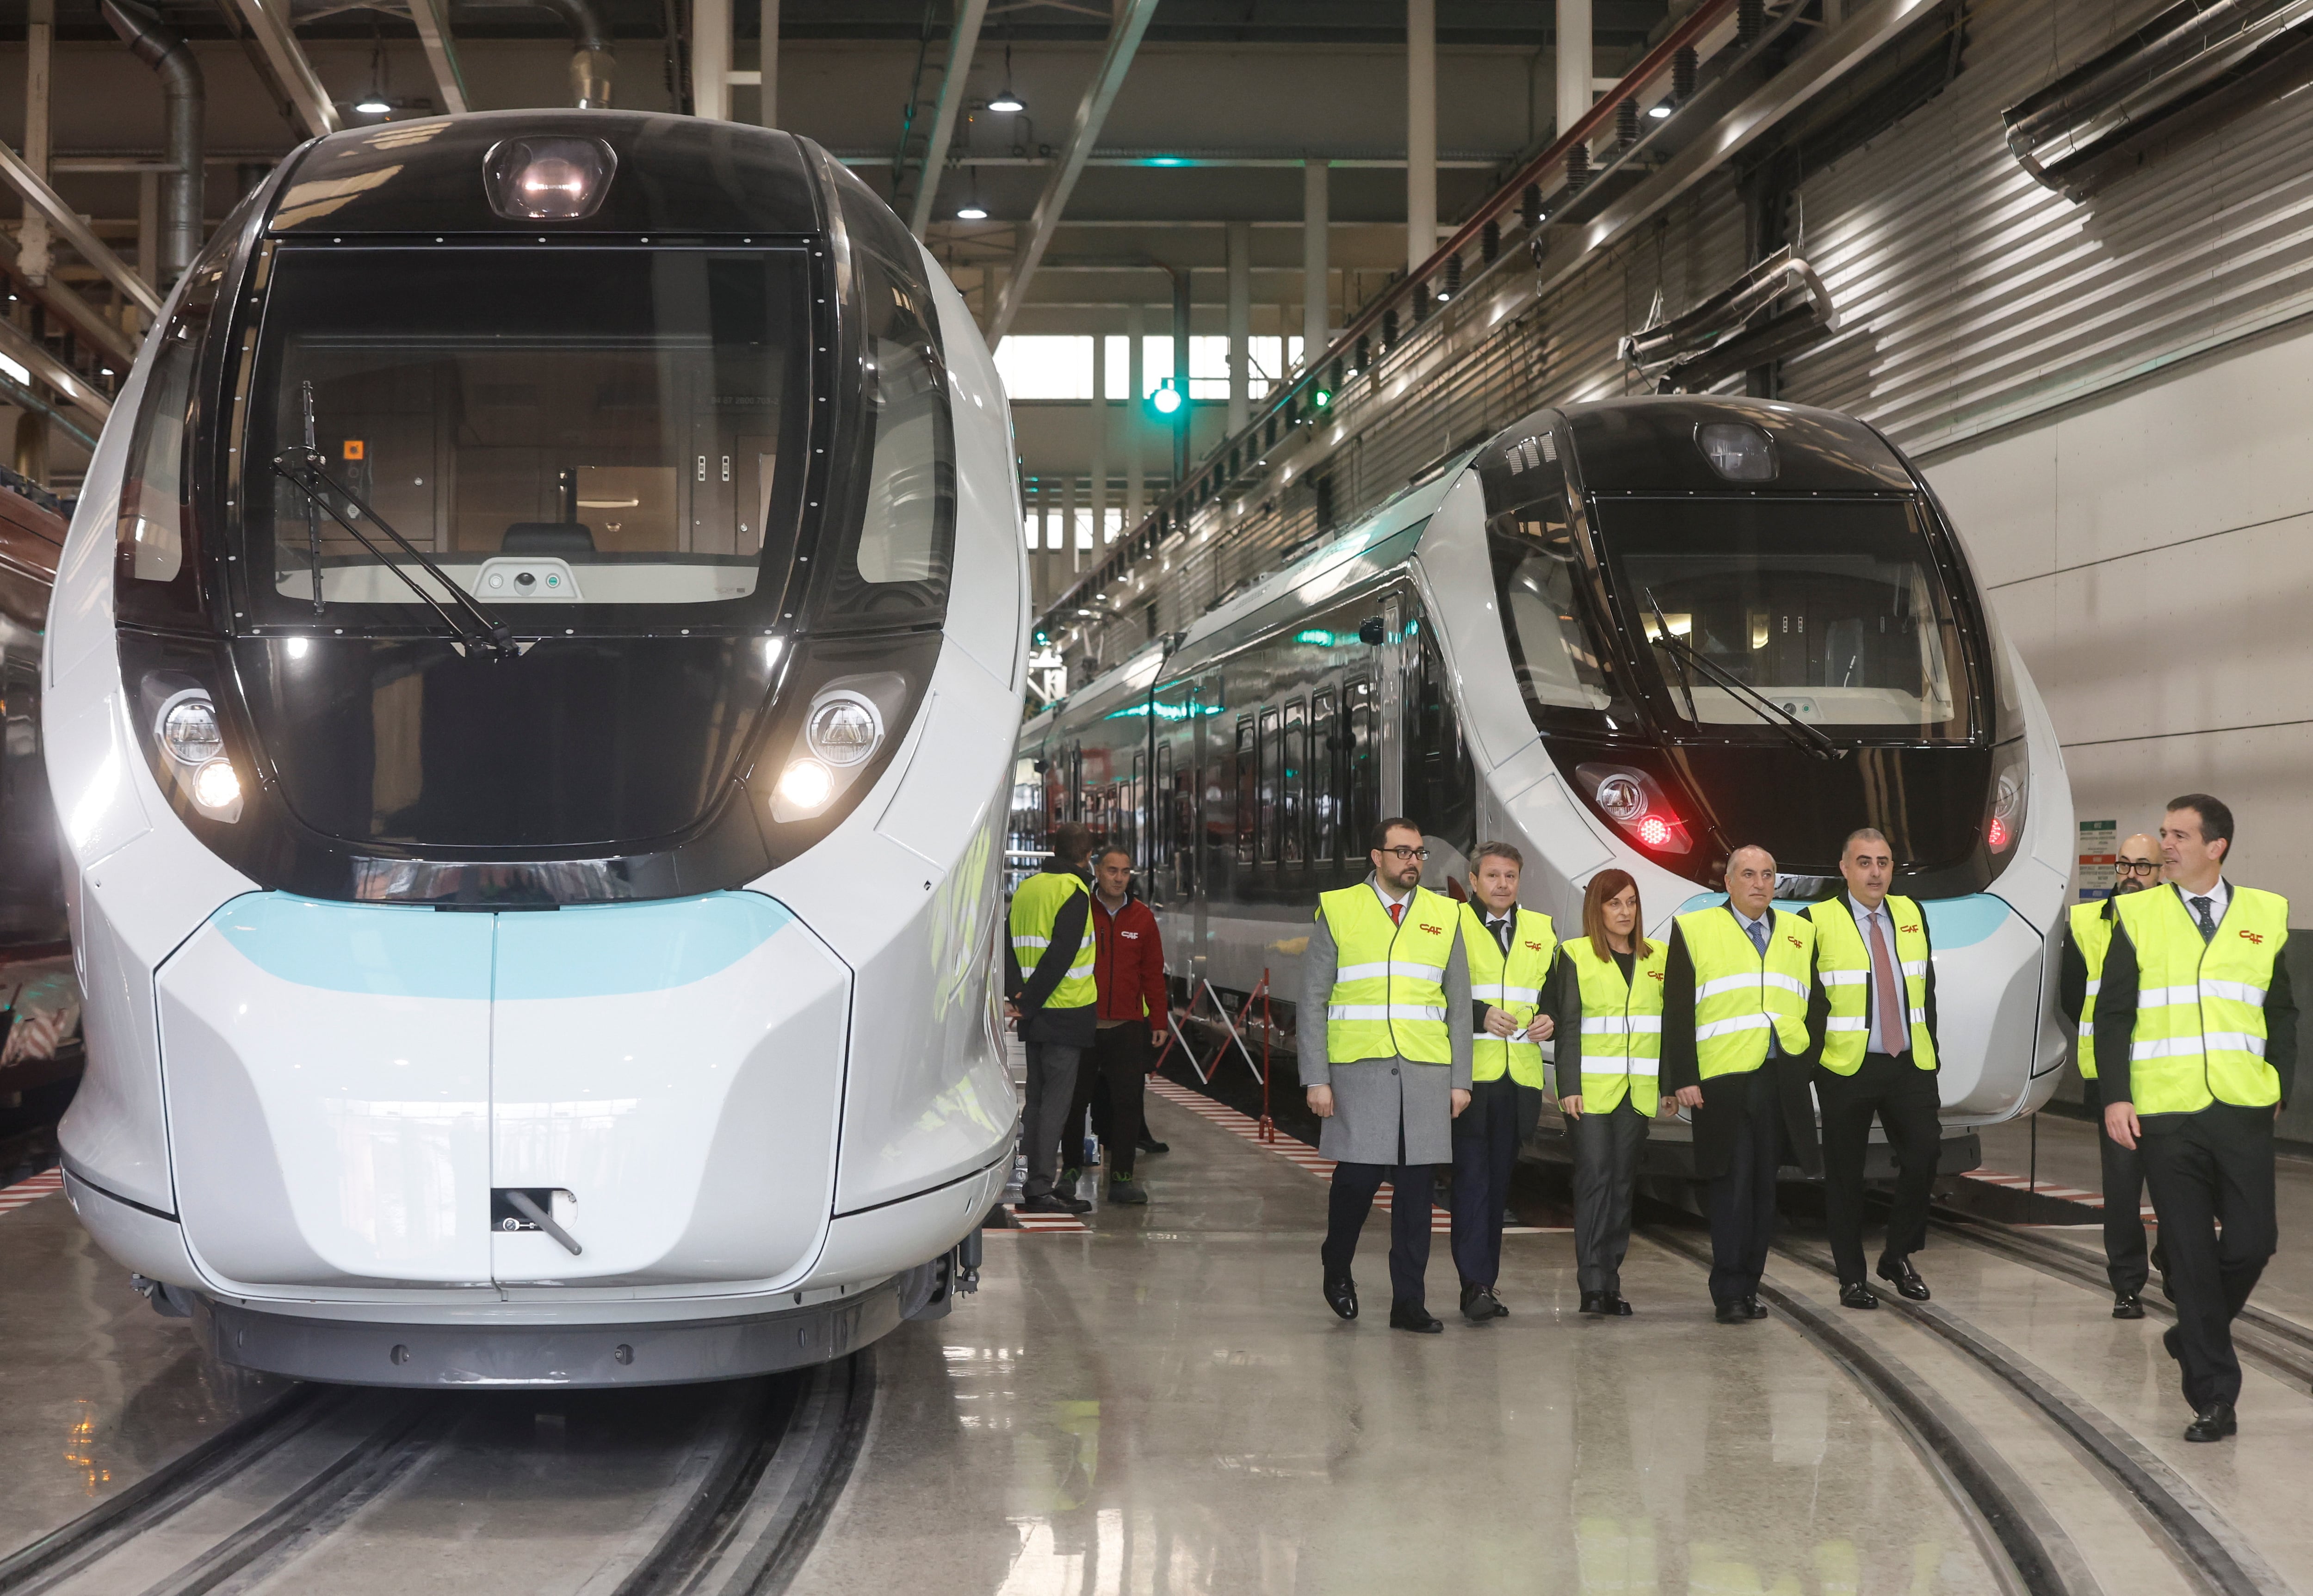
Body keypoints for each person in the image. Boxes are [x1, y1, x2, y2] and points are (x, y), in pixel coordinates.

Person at [2094, 794, 2295, 1443]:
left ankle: (2193, 1332)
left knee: (2252, 1241)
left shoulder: (2265, 913)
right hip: (2166, 1111)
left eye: (2181, 835)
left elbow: (2282, 1010)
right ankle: (2214, 1395)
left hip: (2242, 1107)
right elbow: (2114, 1013)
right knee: (2189, 1253)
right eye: (2164, 833)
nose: (2168, 845)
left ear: (2218, 846)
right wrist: (2116, 1095)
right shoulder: (2136, 914)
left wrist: (2280, 1083)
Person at [1301, 817, 1474, 1333]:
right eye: (1402, 853)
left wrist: (1459, 1080)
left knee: (1417, 1193)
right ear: (1375, 857)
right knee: (1355, 1180)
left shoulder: (1446, 915)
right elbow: (1312, 999)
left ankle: (1409, 1303)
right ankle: (1337, 1263)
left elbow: (1458, 1004)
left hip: (1423, 1070)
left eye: (1419, 853)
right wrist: (1316, 1077)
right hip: (1359, 1068)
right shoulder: (1339, 909)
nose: (1412, 862)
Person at [1661, 845, 1822, 1322]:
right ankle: (1728, 1291)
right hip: (1722, 1080)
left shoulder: (1799, 932)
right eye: (1747, 874)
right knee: (1730, 1187)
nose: (1758, 883)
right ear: (1727, 883)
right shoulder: (1694, 928)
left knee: (1763, 1192)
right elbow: (1676, 1010)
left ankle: (1749, 1286)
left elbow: (1815, 1002)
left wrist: (1804, 1058)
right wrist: (1682, 1078)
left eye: (1767, 874)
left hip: (1779, 1079)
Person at [1802, 829, 1942, 1310]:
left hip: (1909, 1064)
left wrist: (1932, 1053)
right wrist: (1813, 1067)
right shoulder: (1814, 920)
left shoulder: (1910, 913)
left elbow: (1924, 990)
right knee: (1844, 1176)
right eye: (1864, 862)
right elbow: (1807, 1001)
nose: (1875, 872)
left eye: (1882, 862)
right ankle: (1850, 1278)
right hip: (1845, 1067)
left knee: (1924, 1154)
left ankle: (1897, 1254)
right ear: (1843, 868)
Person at [1550, 869, 1670, 1317]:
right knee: (1595, 1179)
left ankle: (1611, 1280)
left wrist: (1669, 1085)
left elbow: (1668, 1025)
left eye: (1631, 902)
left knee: (1621, 1185)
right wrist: (1569, 1086)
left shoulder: (1657, 956)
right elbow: (1568, 1026)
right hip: (1591, 1092)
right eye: (1614, 903)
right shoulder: (1575, 955)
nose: (1624, 912)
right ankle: (1591, 1284)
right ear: (1596, 909)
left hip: (1636, 1092)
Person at [1450, 842, 1558, 1323]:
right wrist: (1477, 1015)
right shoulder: (1452, 925)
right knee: (1472, 1181)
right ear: (1472, 881)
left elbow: (1552, 994)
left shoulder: (1540, 929)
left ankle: (1483, 1283)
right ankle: (1472, 1283)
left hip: (1520, 1080)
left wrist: (1548, 1020)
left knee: (1496, 1186)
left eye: (1509, 876)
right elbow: (1433, 991)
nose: (1501, 885)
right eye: (1491, 876)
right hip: (1470, 1076)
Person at [2058, 831, 2162, 1318]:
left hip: (2170, 1074)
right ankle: (2126, 1284)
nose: (2130, 876)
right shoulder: (2084, 924)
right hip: (2113, 1077)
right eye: (2123, 866)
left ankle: (2175, 1262)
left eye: (2143, 867)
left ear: (2161, 873)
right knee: (2121, 1188)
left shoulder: (2178, 924)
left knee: (2174, 1182)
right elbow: (2071, 996)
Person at [1064, 845, 1168, 1206]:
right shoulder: (1080, 911)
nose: (1119, 877)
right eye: (1112, 870)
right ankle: (1070, 1173)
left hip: (1126, 1027)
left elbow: (1153, 972)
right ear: (1097, 870)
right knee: (1075, 1104)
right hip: (1084, 1023)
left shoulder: (1142, 918)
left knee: (1128, 1104)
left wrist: (1159, 1019)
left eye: (1125, 871)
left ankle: (1122, 1179)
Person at [1005, 822, 1098, 1216]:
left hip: (1037, 1014)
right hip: (1065, 1011)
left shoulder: (1027, 888)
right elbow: (1061, 955)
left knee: (1038, 1102)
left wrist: (1018, 995)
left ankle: (1032, 1180)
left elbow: (1009, 945)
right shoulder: (1074, 892)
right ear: (1086, 856)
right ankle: (1040, 1187)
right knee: (1055, 1105)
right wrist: (1032, 1002)